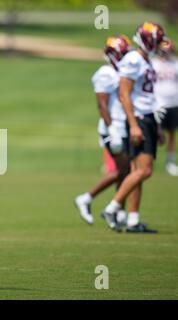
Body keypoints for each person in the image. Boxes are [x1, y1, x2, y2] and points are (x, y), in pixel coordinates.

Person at [101, 22, 167, 233]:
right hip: (138, 119)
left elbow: (146, 95)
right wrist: (133, 125)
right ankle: (112, 207)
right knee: (145, 170)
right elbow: (124, 94)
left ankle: (132, 220)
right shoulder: (132, 59)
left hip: (146, 119)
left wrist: (156, 126)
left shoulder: (145, 60)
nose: (157, 46)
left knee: (137, 171)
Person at [75, 35, 131, 225]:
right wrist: (112, 128)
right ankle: (88, 198)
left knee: (125, 171)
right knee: (126, 169)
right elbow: (102, 104)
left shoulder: (122, 73)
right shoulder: (105, 73)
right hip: (112, 128)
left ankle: (118, 211)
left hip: (124, 126)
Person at [152, 40, 178, 176]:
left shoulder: (176, 64)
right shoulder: (154, 64)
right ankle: (150, 160)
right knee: (154, 134)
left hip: (174, 103)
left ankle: (170, 162)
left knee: (172, 134)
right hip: (158, 105)